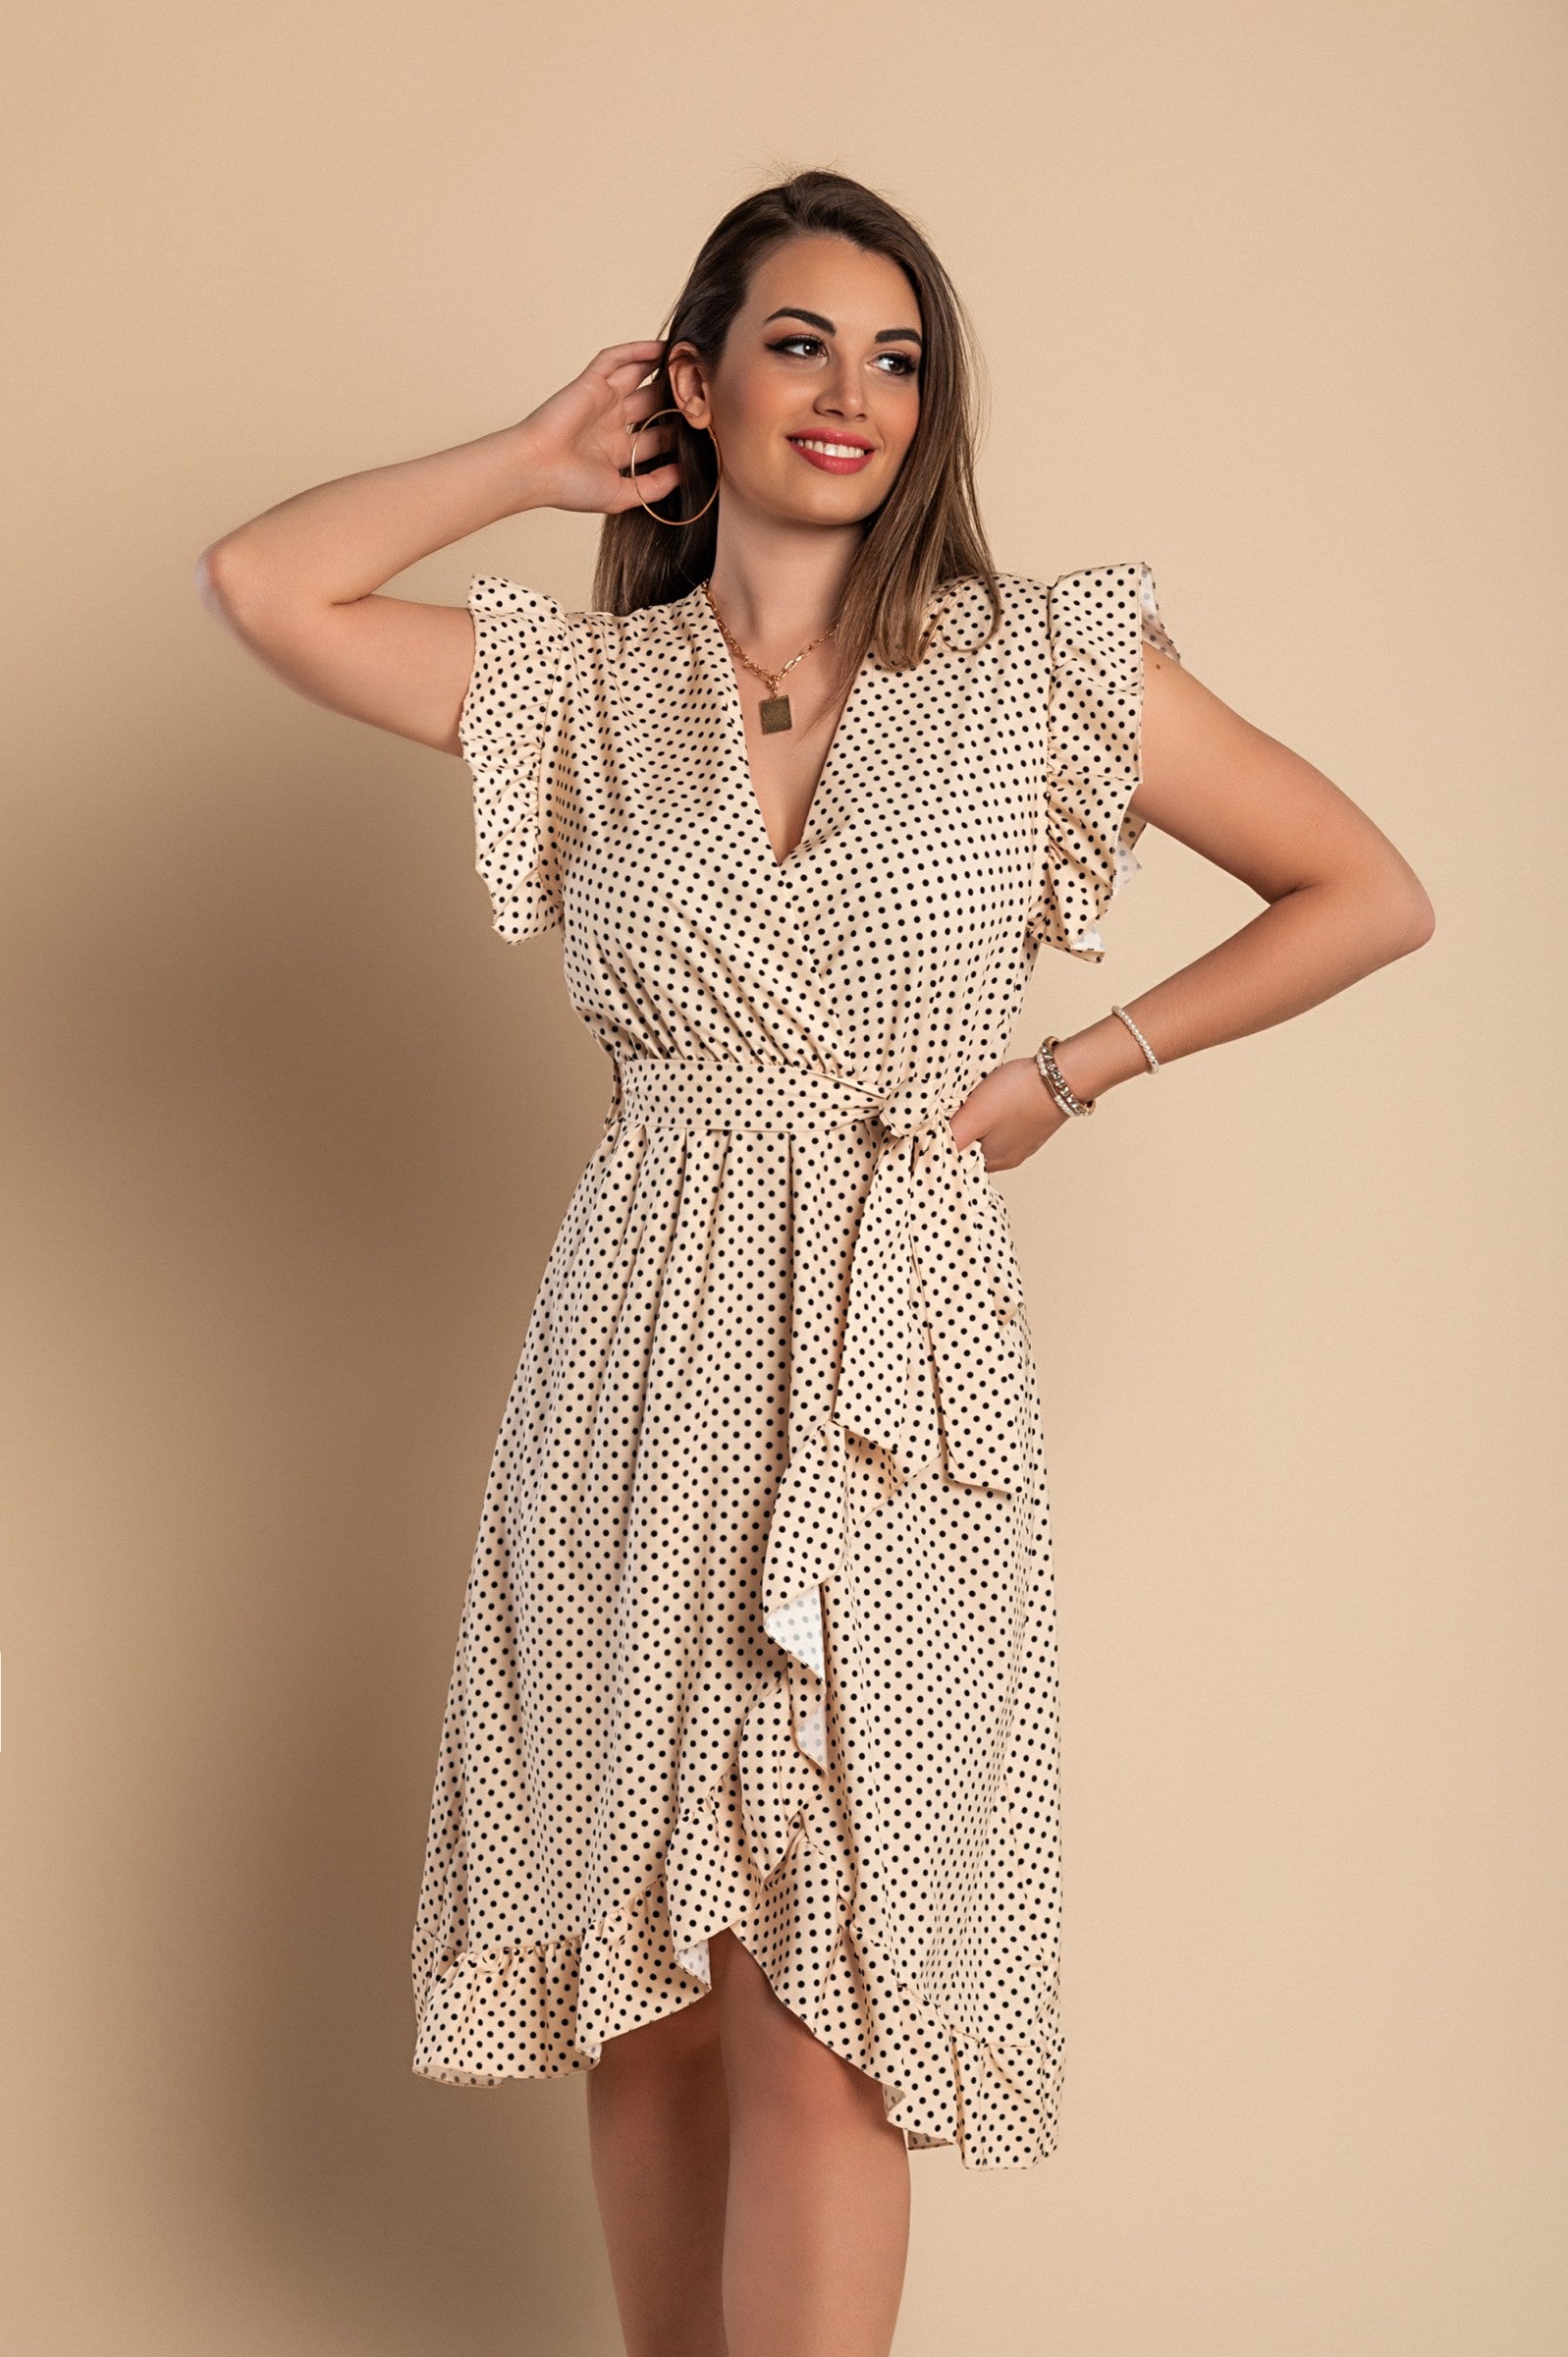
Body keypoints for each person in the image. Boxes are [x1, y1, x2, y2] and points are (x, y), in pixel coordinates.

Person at [195, 167, 1433, 2357]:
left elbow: (1362, 887)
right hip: (635, 1350)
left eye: (895, 353)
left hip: (895, 1347)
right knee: (651, 1993)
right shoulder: (582, 689)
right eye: (796, 341)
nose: (853, 393)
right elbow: (266, 583)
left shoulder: (1044, 663)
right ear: (696, 377)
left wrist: (1077, 1068)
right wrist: (520, 458)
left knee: (825, 1987)